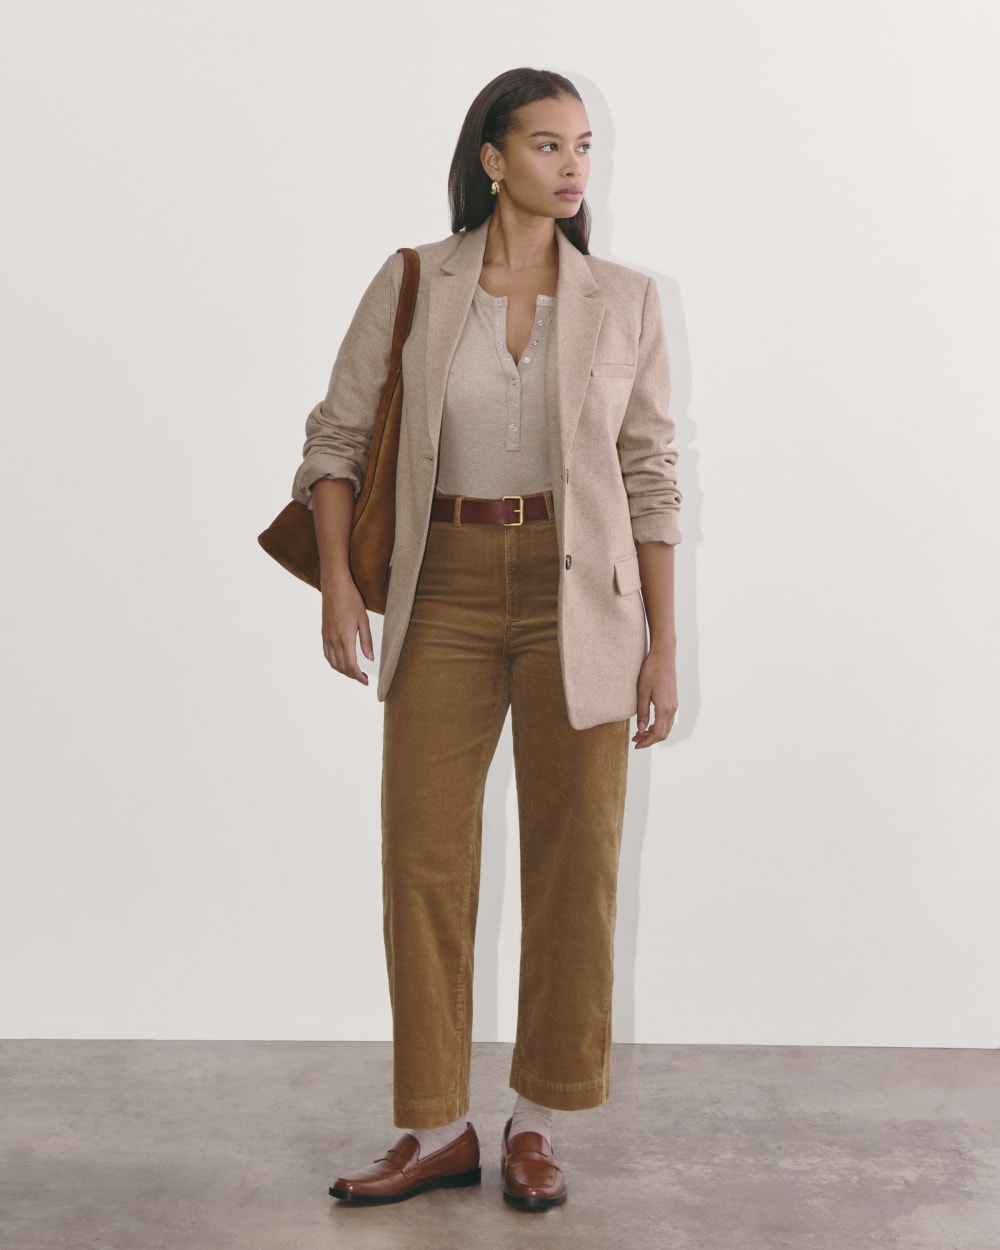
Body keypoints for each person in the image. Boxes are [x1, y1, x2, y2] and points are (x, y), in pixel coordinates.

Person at [290, 67, 681, 1211]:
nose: (573, 165)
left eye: (584, 145)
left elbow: (651, 475)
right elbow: (334, 439)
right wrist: (337, 586)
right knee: (422, 857)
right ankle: (434, 1125)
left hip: (582, 598)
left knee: (574, 863)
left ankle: (536, 1120)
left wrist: (662, 643)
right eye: (548, 144)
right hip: (444, 592)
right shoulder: (414, 279)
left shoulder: (626, 298)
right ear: (492, 159)